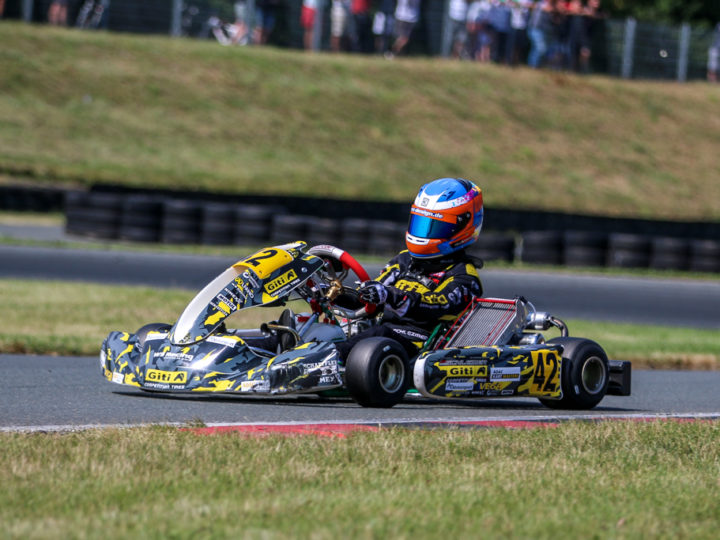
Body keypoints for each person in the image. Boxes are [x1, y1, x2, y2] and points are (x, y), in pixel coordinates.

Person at [335, 178, 484, 362]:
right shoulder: (405, 260)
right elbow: (368, 298)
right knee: (330, 328)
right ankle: (300, 351)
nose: (423, 233)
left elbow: (437, 305)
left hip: (419, 349)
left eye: (434, 227)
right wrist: (333, 293)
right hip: (380, 340)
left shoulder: (464, 277)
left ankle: (329, 360)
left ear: (462, 226)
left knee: (379, 333)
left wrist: (391, 296)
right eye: (420, 223)